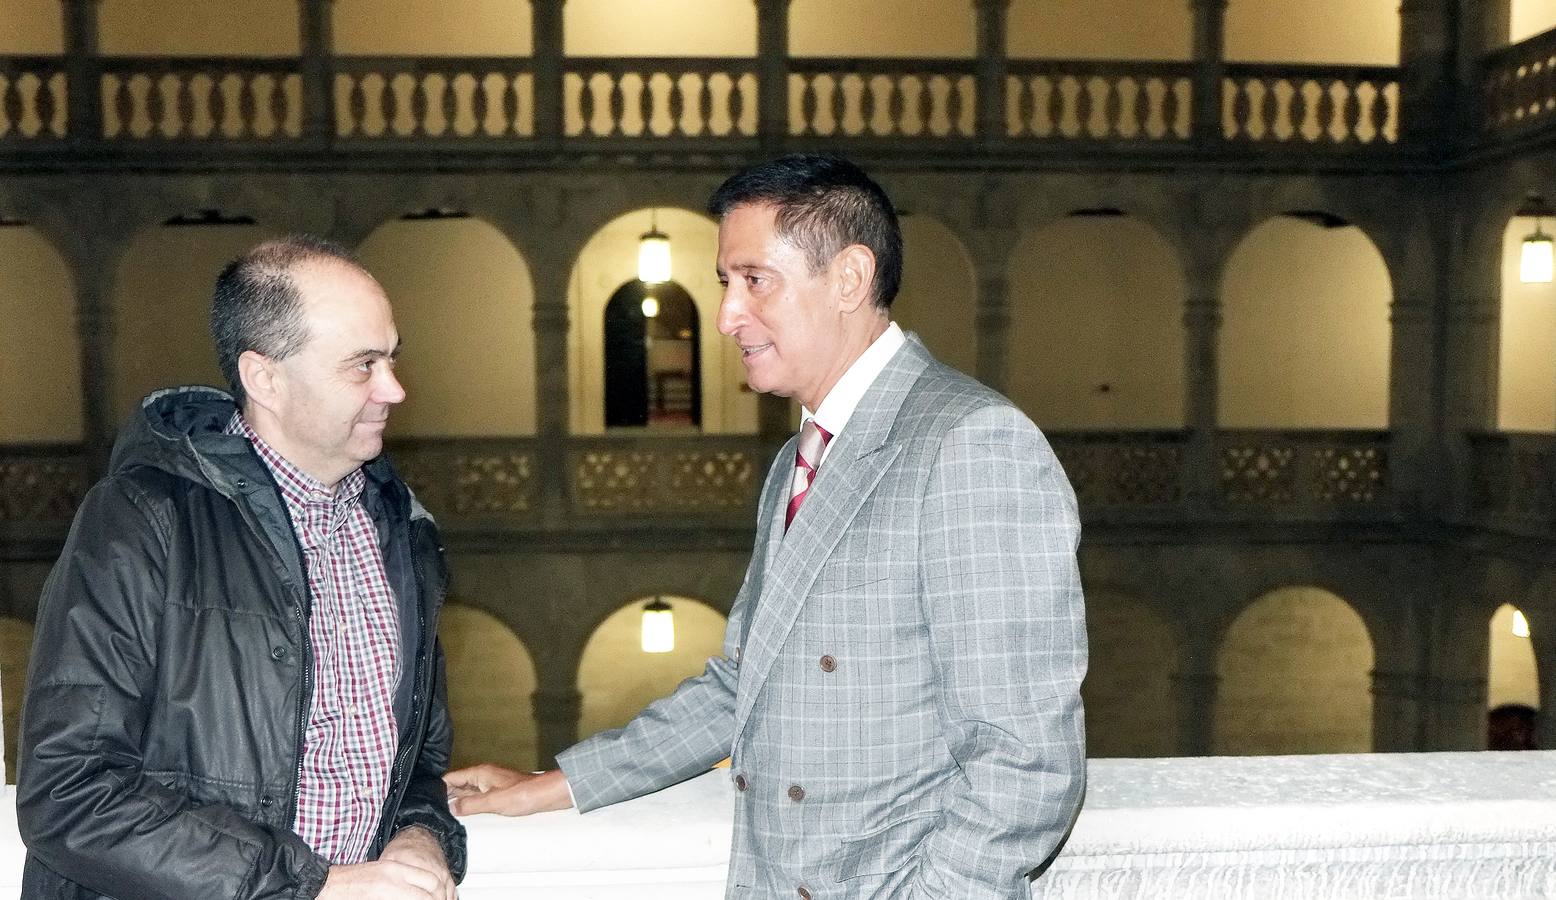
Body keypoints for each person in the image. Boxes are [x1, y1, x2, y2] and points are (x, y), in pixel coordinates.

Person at [446, 155, 1088, 898]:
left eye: (756, 280)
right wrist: (557, 784)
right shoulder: (799, 458)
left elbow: (1027, 759)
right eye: (726, 282)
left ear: (849, 278)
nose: (725, 316)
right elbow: (747, 686)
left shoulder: (971, 443)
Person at [16, 236, 465, 899]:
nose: (395, 389)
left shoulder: (403, 534)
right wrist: (315, 885)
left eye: (393, 358)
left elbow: (420, 764)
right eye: (362, 365)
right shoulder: (141, 521)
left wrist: (421, 833)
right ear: (266, 378)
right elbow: (69, 791)